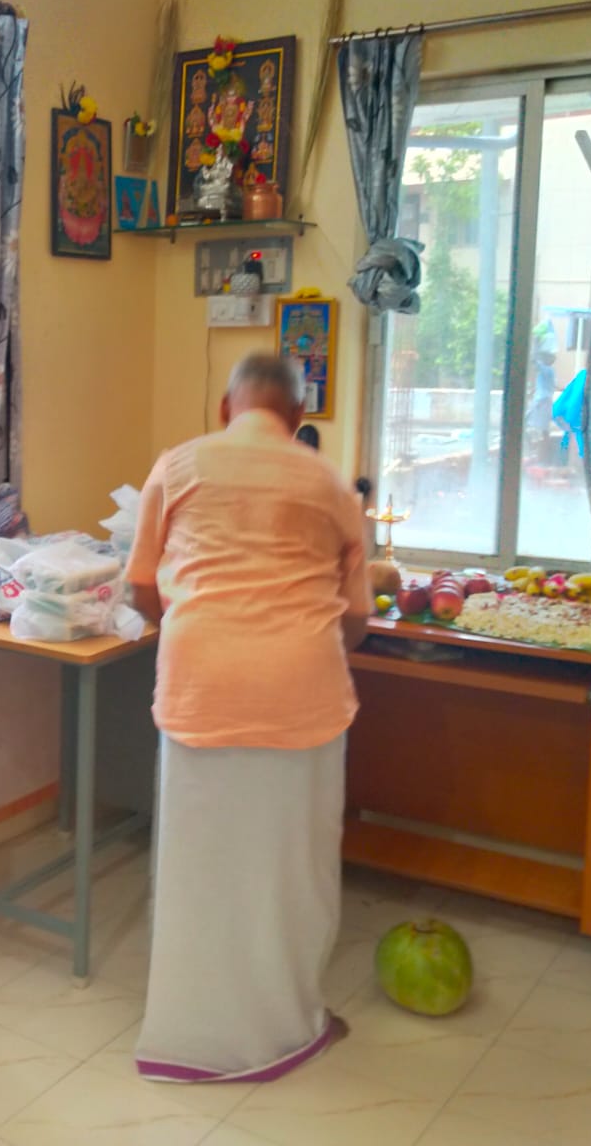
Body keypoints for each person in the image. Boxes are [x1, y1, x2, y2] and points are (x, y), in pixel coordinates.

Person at [125, 353, 371, 1083]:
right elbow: (357, 617)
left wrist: (193, 622)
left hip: (202, 686)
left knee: (201, 864)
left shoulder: (177, 465)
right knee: (290, 868)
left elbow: (140, 585)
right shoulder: (329, 482)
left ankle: (186, 1040)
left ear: (226, 409)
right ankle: (288, 1027)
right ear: (298, 418)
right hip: (302, 693)